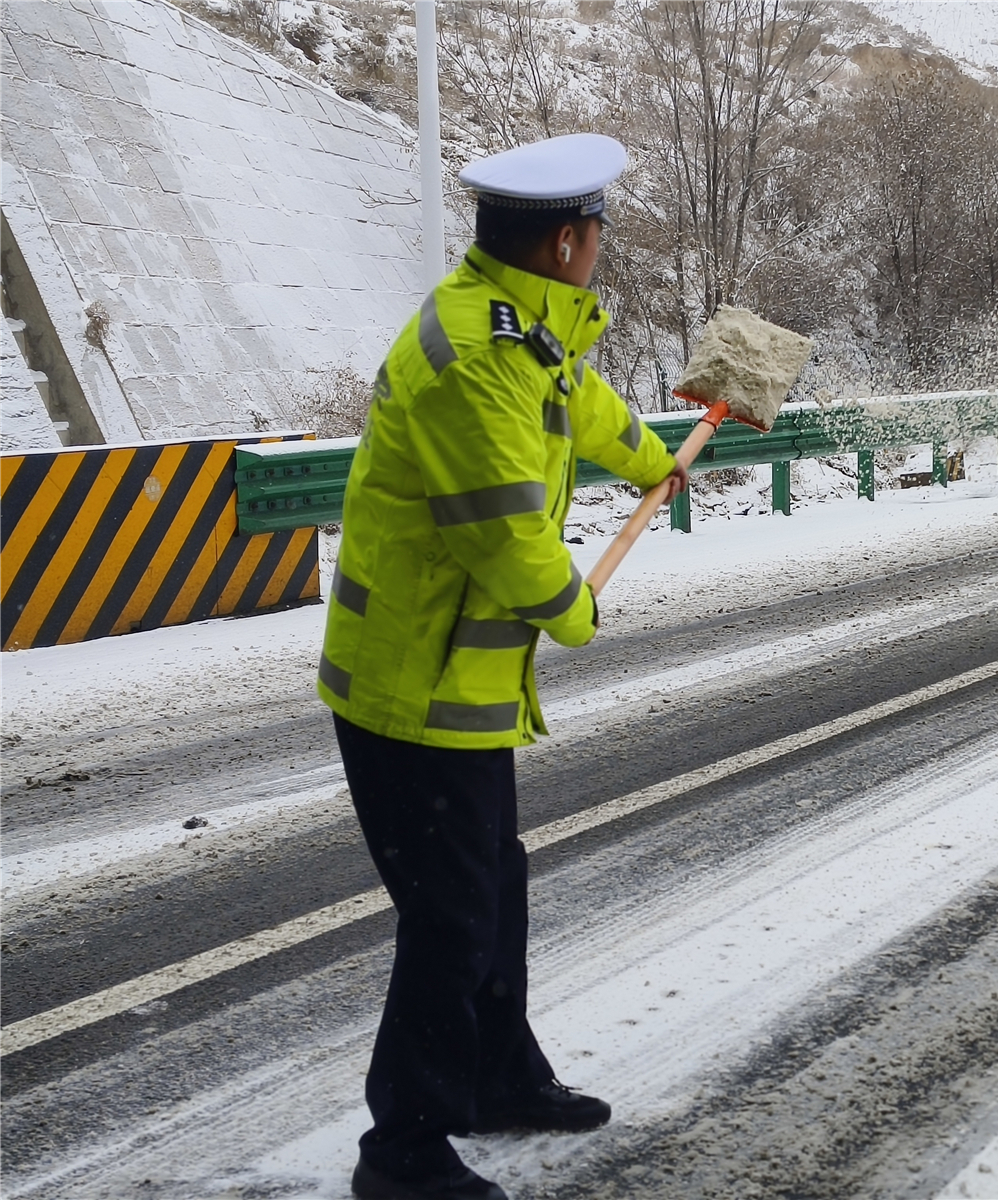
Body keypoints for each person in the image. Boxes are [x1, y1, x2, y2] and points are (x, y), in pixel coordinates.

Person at [317, 133, 689, 1200]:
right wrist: (573, 605)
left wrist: (652, 459)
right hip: (409, 689)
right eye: (600, 233)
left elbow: (580, 408)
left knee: (492, 890)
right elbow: (503, 536)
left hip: (460, 683)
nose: (601, 248)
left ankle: (494, 1075)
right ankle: (404, 1150)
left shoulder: (525, 328)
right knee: (450, 914)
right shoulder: (472, 358)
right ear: (570, 240)